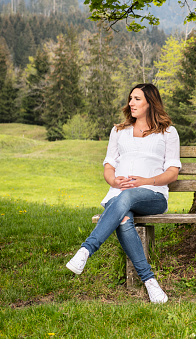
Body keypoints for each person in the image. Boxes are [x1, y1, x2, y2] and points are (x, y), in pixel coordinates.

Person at [66, 83, 181, 304]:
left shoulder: (168, 132)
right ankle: (150, 283)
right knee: (124, 219)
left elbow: (173, 172)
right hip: (118, 196)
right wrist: (113, 180)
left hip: (153, 196)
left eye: (137, 99)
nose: (131, 103)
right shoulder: (119, 131)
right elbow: (109, 166)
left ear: (150, 102)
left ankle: (86, 250)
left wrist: (146, 181)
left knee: (126, 197)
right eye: (130, 98)